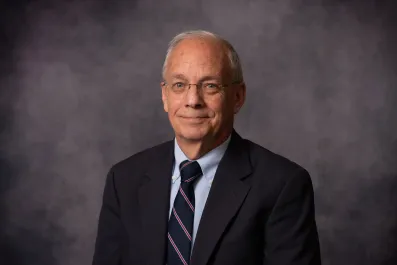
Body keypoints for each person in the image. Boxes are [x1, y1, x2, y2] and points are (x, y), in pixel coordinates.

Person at [92, 30, 321, 265]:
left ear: (238, 97)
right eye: (179, 85)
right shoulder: (124, 180)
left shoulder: (282, 185)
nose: (193, 100)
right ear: (164, 95)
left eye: (210, 86)